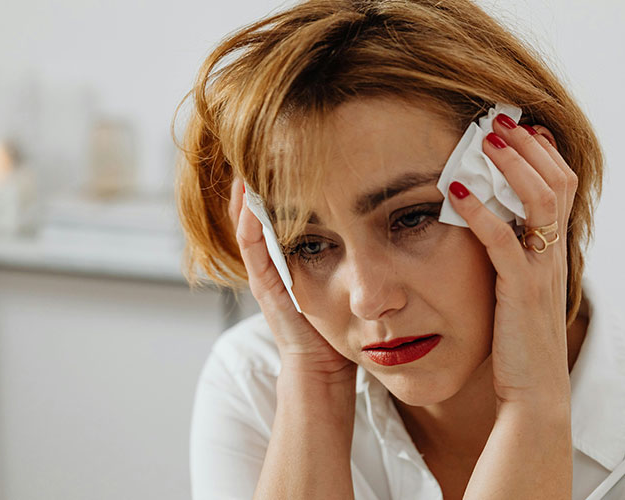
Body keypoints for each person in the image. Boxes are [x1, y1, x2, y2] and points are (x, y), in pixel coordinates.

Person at [174, 1, 625, 498]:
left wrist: (534, 404)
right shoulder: (255, 381)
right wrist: (315, 386)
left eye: (411, 218)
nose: (368, 299)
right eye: (308, 244)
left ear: (524, 182)